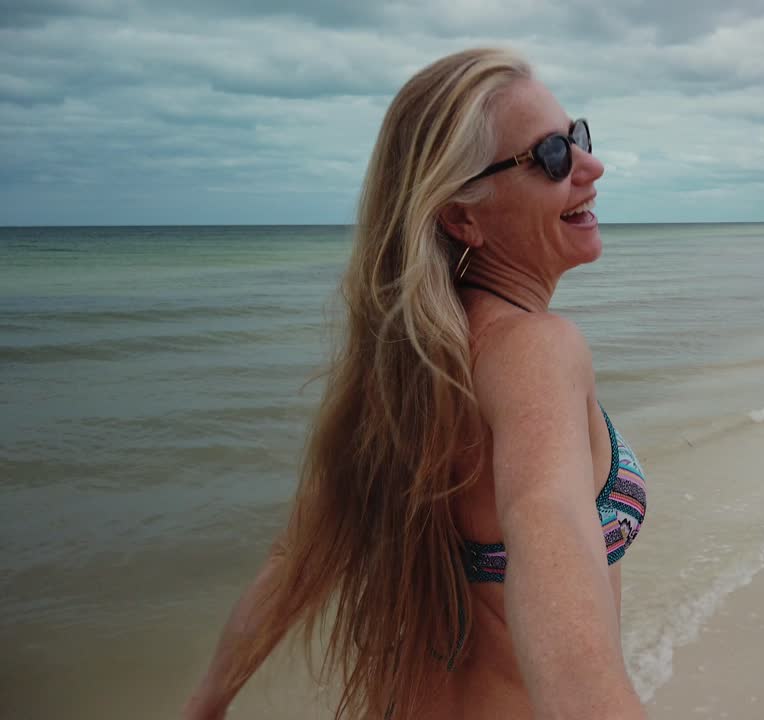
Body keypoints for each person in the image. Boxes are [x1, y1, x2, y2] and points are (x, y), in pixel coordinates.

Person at [183, 48, 649, 719]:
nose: (589, 166)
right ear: (463, 217)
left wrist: (205, 703)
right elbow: (546, 523)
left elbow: (293, 562)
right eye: (551, 155)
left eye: (577, 137)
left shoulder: (400, 380)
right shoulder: (538, 349)